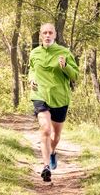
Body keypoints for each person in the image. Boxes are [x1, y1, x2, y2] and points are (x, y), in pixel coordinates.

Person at [28, 22, 79, 182]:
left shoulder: (64, 53)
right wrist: (31, 80)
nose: (48, 35)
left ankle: (51, 152)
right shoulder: (34, 53)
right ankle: (45, 167)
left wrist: (65, 67)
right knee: (45, 129)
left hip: (60, 97)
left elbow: (75, 75)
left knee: (55, 135)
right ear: (41, 36)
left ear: (55, 35)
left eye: (50, 32)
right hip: (40, 95)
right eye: (45, 33)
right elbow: (31, 70)